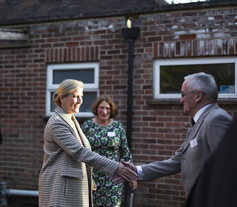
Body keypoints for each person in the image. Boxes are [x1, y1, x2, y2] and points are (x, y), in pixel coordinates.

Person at [119, 72, 232, 196]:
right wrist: (137, 171)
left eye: (183, 94)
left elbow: (229, 167)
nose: (181, 100)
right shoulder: (199, 122)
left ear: (198, 95)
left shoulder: (216, 119)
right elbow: (177, 161)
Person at [38, 79, 137, 207]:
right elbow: (80, 152)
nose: (80, 101)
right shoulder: (58, 123)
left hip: (75, 186)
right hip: (61, 188)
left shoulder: (71, 119)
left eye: (81, 96)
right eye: (75, 96)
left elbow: (124, 150)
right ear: (62, 98)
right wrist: (116, 167)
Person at [81, 95, 133, 207]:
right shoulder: (87, 126)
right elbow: (80, 150)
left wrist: (131, 175)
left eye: (107, 108)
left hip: (114, 175)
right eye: (101, 108)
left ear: (111, 110)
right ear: (96, 109)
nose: (104, 111)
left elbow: (125, 151)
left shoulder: (117, 127)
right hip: (93, 175)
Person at [185, 116, 237, 207]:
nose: (181, 100)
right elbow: (179, 158)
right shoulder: (198, 120)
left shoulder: (217, 119)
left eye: (183, 99)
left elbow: (225, 168)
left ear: (197, 100)